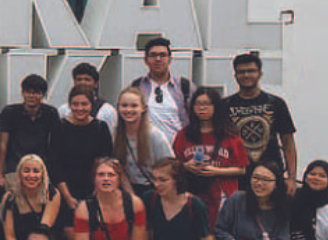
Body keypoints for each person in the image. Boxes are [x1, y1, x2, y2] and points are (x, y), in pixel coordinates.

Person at [222, 52, 299, 194]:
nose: (246, 75)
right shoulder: (224, 105)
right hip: (237, 177)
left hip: (271, 175)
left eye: (251, 71)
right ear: (235, 76)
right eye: (241, 72)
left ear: (260, 74)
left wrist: (292, 178)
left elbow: (288, 143)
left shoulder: (276, 103)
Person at [172, 88, 249, 229]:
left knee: (220, 233)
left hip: (223, 194)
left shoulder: (230, 136)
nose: (202, 108)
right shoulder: (183, 135)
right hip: (193, 192)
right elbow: (173, 165)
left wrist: (216, 171)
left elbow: (242, 169)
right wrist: (186, 166)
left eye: (207, 104)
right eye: (198, 104)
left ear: (216, 107)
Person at [50, 84, 113, 228]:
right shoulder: (60, 127)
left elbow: (106, 162)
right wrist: (67, 197)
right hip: (65, 191)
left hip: (94, 191)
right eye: (75, 104)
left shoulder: (100, 128)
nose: (79, 108)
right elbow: (54, 163)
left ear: (91, 105)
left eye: (84, 104)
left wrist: (96, 195)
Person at [0, 74, 59, 193]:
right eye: (28, 92)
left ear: (43, 95)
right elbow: (3, 144)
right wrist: (0, 174)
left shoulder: (50, 113)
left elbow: (55, 144)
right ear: (23, 93)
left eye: (36, 93)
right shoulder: (10, 112)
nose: (31, 96)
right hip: (14, 166)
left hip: (40, 166)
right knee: (15, 205)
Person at [112, 87, 173, 197]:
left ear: (143, 108)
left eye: (134, 106)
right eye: (124, 106)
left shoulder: (155, 135)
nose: (128, 110)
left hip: (154, 190)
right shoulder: (115, 134)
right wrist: (132, 196)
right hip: (128, 189)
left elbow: (169, 169)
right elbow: (120, 169)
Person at [130, 37, 194, 143]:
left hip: (178, 151)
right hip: (145, 149)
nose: (158, 59)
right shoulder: (137, 86)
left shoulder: (184, 87)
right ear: (145, 59)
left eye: (163, 55)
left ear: (170, 59)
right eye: (153, 55)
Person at [2, 155, 60, 240]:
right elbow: (10, 237)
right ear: (19, 174)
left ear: (43, 174)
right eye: (26, 171)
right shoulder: (10, 198)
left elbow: (42, 232)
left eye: (36, 171)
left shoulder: (52, 194)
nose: (31, 175)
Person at [57, 63, 118, 128]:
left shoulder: (107, 110)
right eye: (79, 79)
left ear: (96, 84)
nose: (83, 83)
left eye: (87, 79)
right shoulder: (64, 110)